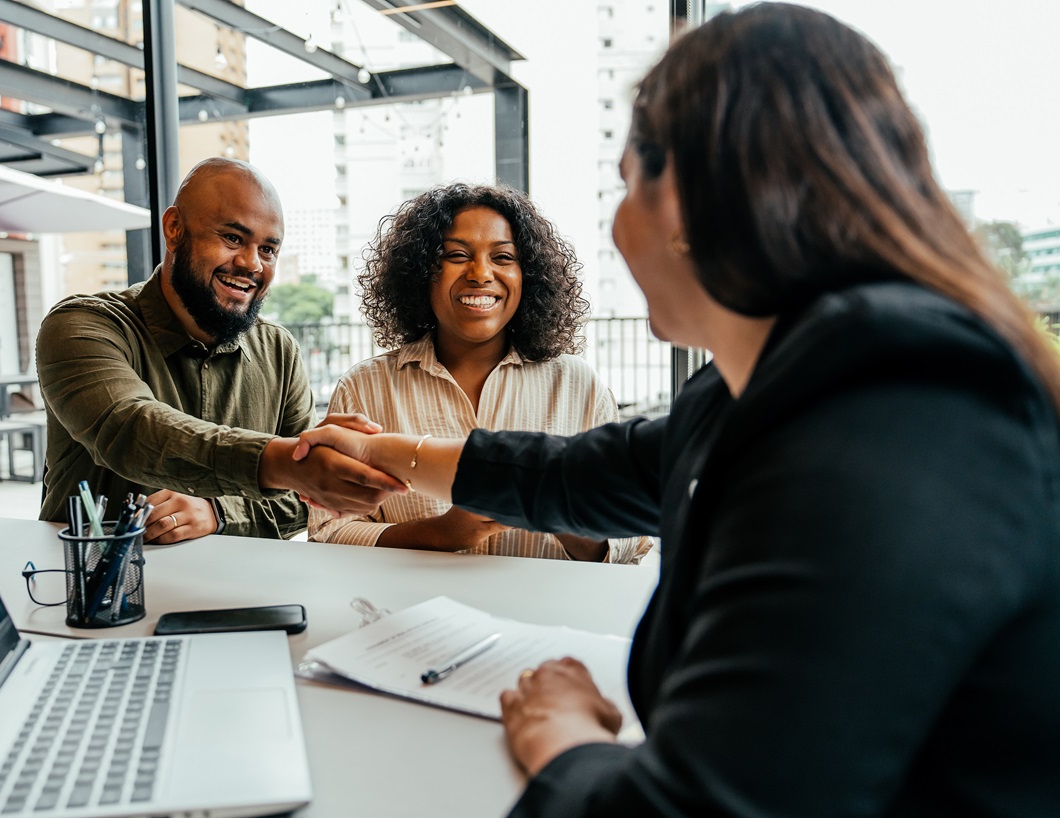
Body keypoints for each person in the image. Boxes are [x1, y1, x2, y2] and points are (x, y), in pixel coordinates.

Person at [292, 5, 1060, 816]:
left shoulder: (889, 426)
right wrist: (393, 456)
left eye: (626, 183)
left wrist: (561, 737)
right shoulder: (773, 381)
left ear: (695, 203)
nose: (620, 226)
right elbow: (593, 470)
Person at [36, 158, 403, 545]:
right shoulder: (82, 325)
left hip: (241, 593)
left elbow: (306, 500)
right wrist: (283, 463)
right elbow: (131, 430)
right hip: (101, 590)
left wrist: (220, 512)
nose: (250, 264)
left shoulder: (279, 350)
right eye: (232, 238)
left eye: (268, 249)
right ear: (174, 229)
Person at [308, 183, 652, 563]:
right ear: (422, 271)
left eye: (503, 257)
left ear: (528, 276)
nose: (480, 273)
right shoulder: (365, 387)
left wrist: (553, 504)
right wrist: (440, 534)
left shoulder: (579, 387)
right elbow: (329, 531)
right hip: (408, 615)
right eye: (456, 255)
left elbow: (630, 542)